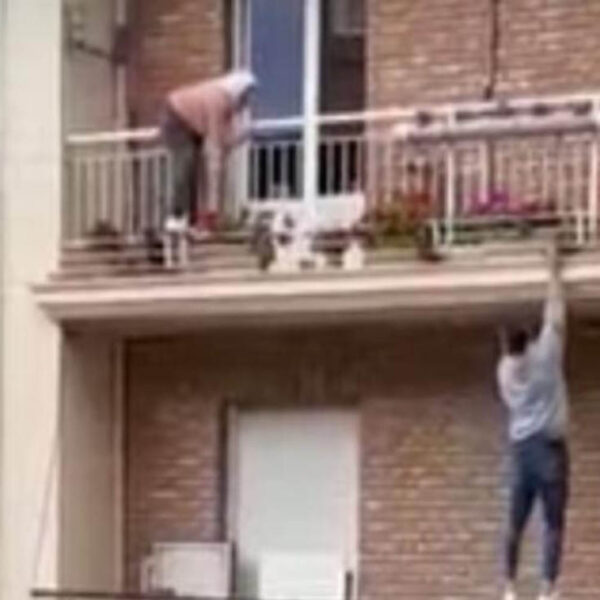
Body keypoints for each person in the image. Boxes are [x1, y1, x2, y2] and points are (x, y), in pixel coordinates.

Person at [497, 235, 570, 600]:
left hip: (521, 448)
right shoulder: (546, 355)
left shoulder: (505, 372)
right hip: (550, 449)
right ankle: (546, 589)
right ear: (529, 340)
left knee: (516, 521)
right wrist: (553, 268)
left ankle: (509, 586)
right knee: (552, 521)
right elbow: (555, 311)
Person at [160, 70, 257, 228]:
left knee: (196, 171)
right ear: (239, 91)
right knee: (185, 165)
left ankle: (192, 218)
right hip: (176, 118)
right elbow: (216, 138)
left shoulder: (229, 104)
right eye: (245, 95)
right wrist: (218, 162)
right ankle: (176, 215)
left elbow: (225, 137)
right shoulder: (219, 100)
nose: (246, 100)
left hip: (193, 126)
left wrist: (241, 131)